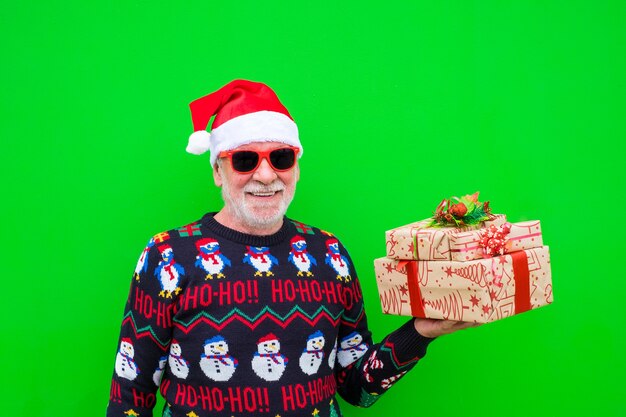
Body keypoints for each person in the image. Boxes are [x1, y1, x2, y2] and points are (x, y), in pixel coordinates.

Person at [106, 80, 476, 417]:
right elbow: (129, 396)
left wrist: (421, 331)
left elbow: (356, 389)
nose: (266, 176)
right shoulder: (168, 255)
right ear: (218, 171)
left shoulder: (330, 255)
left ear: (296, 167)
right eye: (245, 159)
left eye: (280, 158)